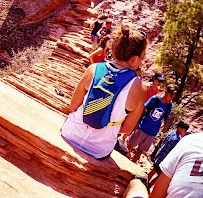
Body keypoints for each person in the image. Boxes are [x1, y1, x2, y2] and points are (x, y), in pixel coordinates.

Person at [61, 24, 147, 159]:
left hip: (71, 133)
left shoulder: (93, 69)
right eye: (142, 57)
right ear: (134, 59)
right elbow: (126, 129)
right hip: (99, 149)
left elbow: (73, 106)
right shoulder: (140, 87)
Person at [126, 84, 178, 163]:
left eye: (173, 97)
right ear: (166, 92)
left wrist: (165, 124)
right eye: (171, 96)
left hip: (152, 132)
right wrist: (136, 122)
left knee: (140, 150)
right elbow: (143, 109)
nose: (171, 98)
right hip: (143, 127)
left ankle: (132, 165)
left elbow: (166, 116)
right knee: (130, 145)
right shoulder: (155, 99)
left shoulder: (169, 105)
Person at [150, 132, 203, 198]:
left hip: (165, 159)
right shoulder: (180, 139)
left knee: (156, 173)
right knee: (157, 174)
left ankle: (148, 183)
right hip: (165, 159)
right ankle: (148, 183)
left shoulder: (189, 140)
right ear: (181, 128)